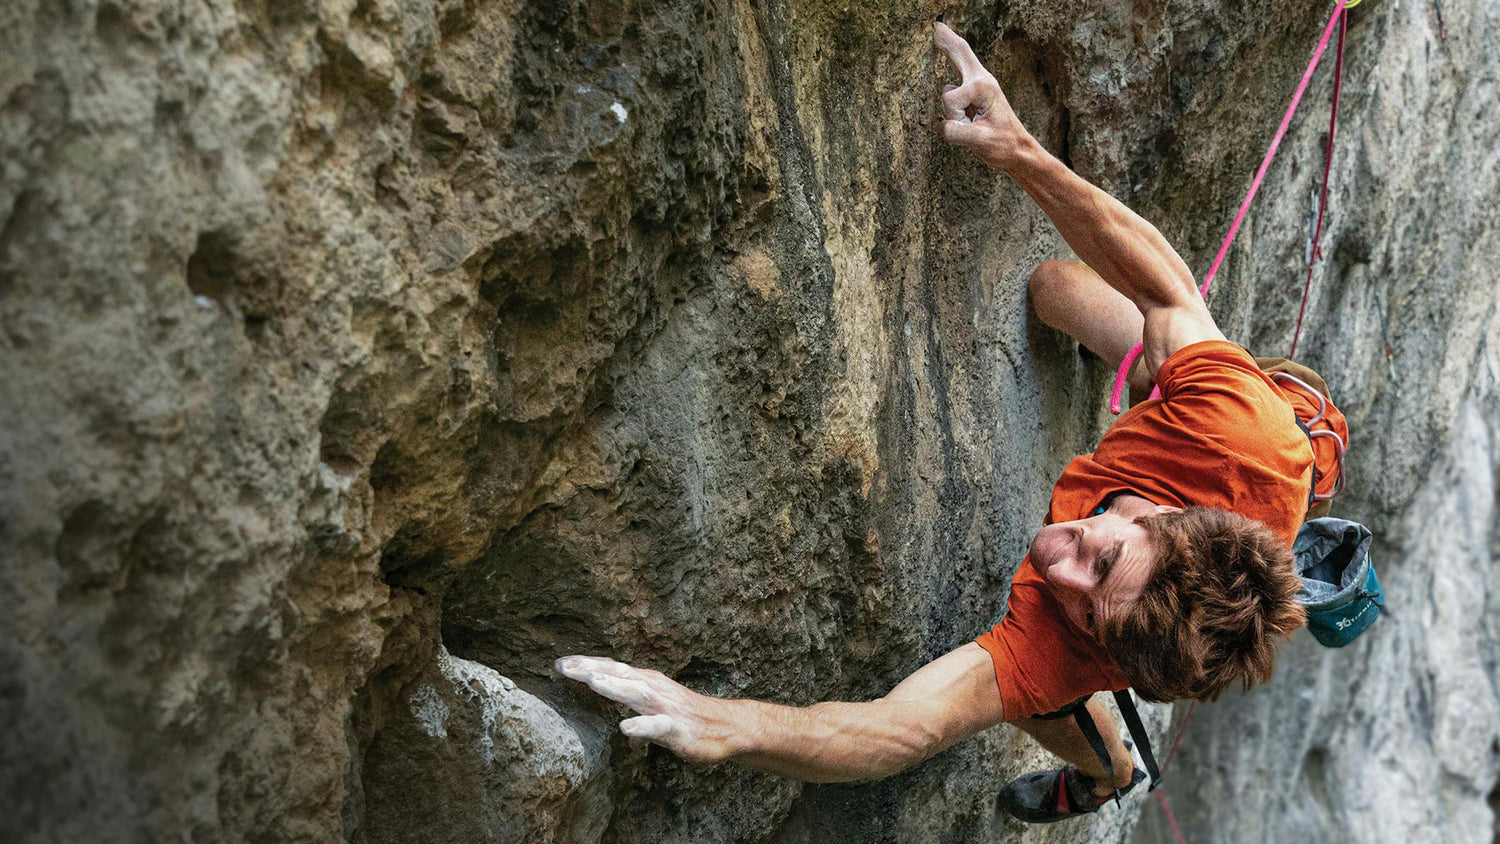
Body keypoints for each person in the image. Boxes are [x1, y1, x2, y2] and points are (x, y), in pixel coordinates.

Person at [555, 21, 1348, 823]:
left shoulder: (1071, 642)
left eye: (1082, 605)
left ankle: (1107, 775)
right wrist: (1016, 150)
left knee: (1033, 696)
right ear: (1168, 516)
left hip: (1193, 517)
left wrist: (726, 724)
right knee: (1055, 288)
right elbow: (1168, 289)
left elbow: (904, 727)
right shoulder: (1238, 432)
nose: (1053, 563)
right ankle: (1153, 387)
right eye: (1101, 560)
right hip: (1246, 442)